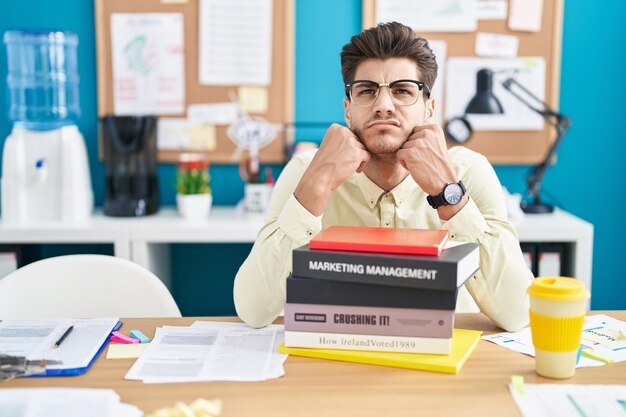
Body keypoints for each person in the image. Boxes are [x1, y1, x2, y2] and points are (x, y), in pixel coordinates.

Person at [233, 22, 533, 332]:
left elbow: (518, 312)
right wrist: (316, 186)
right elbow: (253, 309)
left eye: (402, 90)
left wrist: (448, 193)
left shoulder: (469, 170)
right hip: (339, 354)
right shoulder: (303, 172)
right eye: (367, 91)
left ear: (429, 109)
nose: (383, 106)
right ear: (348, 111)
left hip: (445, 356)